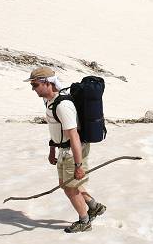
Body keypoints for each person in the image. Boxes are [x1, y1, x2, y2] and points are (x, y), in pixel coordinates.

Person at [25, 66, 106, 232]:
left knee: (70, 188)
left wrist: (78, 165)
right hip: (64, 150)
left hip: (72, 151)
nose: (33, 89)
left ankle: (84, 222)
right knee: (66, 184)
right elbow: (56, 130)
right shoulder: (50, 102)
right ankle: (94, 206)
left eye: (34, 85)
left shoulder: (63, 105)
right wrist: (52, 150)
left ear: (47, 83)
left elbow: (74, 136)